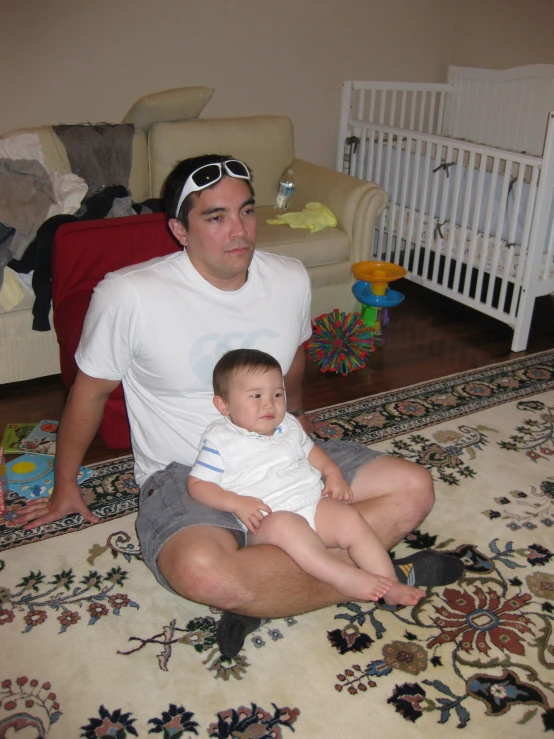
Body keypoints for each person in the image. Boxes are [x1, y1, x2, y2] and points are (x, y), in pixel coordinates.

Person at [16, 153, 463, 659]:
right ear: (179, 231)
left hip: (281, 452)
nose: (240, 231)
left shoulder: (290, 277)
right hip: (188, 473)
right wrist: (65, 486)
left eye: (247, 212)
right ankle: (383, 574)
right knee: (202, 571)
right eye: (215, 217)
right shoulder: (129, 295)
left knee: (413, 488)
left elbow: (292, 366)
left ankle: (262, 594)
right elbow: (88, 392)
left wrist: (298, 419)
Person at [189, 348, 426, 608]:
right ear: (224, 405)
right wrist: (235, 503)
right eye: (256, 395)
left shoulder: (288, 425)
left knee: (348, 518)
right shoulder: (220, 440)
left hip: (310, 502)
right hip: (268, 520)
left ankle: (389, 582)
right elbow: (198, 484)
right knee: (287, 525)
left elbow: (311, 451)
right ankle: (342, 577)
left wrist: (332, 472)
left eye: (277, 394)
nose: (270, 404)